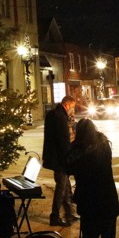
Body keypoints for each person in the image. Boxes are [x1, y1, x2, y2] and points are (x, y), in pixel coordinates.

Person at [67, 117, 119, 238]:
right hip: (108, 201)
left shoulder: (78, 151)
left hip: (89, 203)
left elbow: (68, 167)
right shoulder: (104, 145)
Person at [43, 95, 77, 226]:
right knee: (61, 187)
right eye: (72, 107)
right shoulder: (60, 117)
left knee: (66, 186)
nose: (72, 110)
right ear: (67, 105)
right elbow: (63, 141)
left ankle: (69, 213)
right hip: (59, 160)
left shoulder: (53, 114)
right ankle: (54, 216)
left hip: (54, 157)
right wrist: (69, 157)